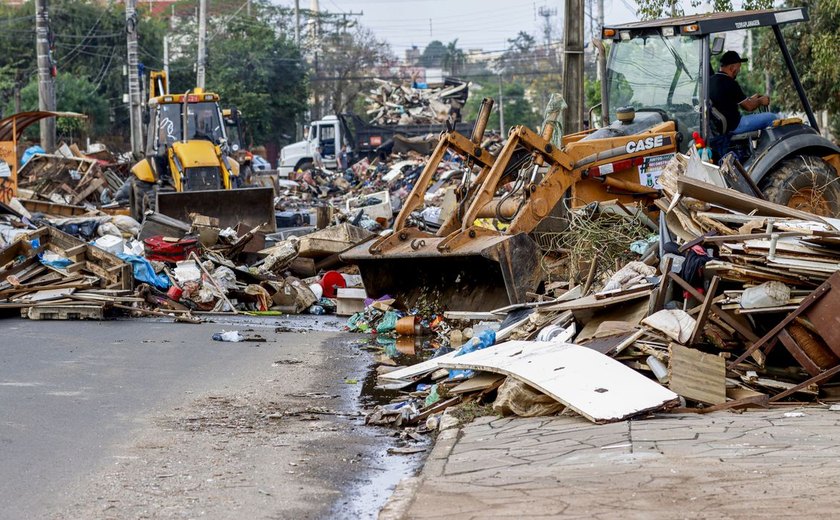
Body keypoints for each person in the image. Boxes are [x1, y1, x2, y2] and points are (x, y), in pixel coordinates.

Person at [709, 50, 777, 136]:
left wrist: (752, 99)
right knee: (772, 117)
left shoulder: (712, 80)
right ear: (732, 68)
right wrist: (760, 101)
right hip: (735, 125)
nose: (739, 70)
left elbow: (743, 102)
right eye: (739, 67)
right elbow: (749, 107)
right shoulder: (730, 82)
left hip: (722, 126)